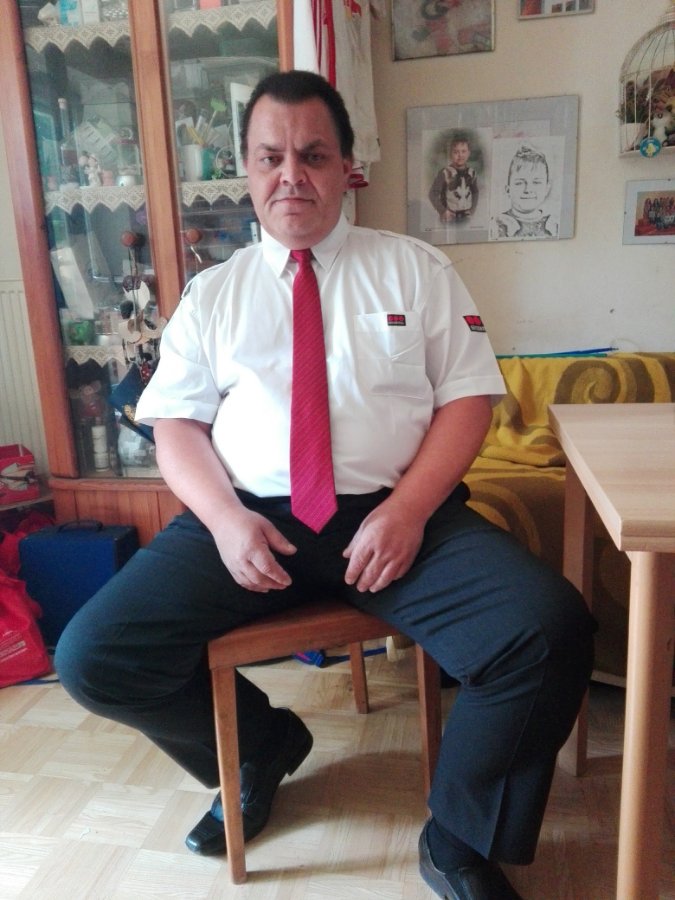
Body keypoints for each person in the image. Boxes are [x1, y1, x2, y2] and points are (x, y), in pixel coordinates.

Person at [55, 71, 595, 900]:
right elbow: (176, 428)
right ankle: (260, 748)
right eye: (270, 157)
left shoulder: (414, 270)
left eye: (312, 155)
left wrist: (408, 510)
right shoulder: (213, 295)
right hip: (248, 519)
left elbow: (467, 402)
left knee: (548, 629)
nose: (291, 176)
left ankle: (457, 839)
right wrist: (225, 521)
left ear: (347, 167)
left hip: (399, 517)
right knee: (94, 657)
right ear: (246, 168)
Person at [492, 143, 557, 239]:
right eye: (520, 183)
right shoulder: (496, 225)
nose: (528, 190)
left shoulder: (554, 226)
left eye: (536, 182)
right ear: (508, 190)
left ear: (546, 189)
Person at [428, 134, 479, 223]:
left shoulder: (472, 173)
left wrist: (472, 209)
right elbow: (432, 194)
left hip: (466, 216)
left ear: (468, 153)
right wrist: (443, 211)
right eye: (456, 152)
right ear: (450, 154)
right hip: (449, 217)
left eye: (463, 151)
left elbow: (475, 192)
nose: (460, 155)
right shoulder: (445, 173)